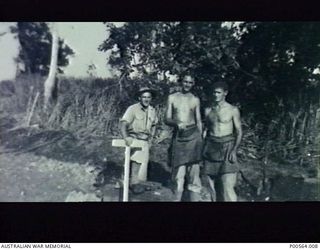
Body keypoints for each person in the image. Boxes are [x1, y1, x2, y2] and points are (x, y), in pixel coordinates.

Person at [165, 74, 203, 201]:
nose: (187, 84)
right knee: (178, 176)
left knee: (194, 175)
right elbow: (166, 118)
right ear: (181, 82)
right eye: (185, 82)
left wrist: (201, 140)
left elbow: (198, 121)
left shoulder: (195, 100)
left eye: (190, 82)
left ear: (193, 84)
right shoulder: (172, 97)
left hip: (194, 137)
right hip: (179, 138)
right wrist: (177, 123)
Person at [202, 81, 242, 201]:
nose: (215, 95)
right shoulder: (208, 110)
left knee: (227, 187)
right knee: (210, 186)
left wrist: (234, 150)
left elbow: (239, 131)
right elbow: (206, 130)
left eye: (218, 92)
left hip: (227, 147)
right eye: (214, 92)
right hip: (211, 148)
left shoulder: (232, 110)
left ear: (225, 93)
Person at [120, 87, 158, 194]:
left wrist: (151, 138)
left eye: (148, 97)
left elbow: (154, 124)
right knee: (134, 161)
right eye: (144, 97)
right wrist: (126, 137)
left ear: (151, 98)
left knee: (142, 165)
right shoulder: (132, 109)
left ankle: (135, 184)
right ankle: (129, 184)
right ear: (139, 98)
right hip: (134, 139)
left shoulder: (152, 110)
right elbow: (123, 124)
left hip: (145, 141)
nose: (146, 99)